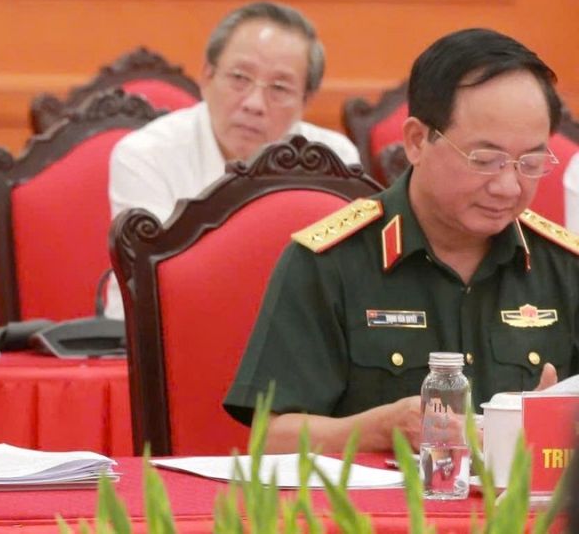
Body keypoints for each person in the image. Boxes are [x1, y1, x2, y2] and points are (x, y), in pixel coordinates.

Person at [225, 28, 577, 452]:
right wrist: (377, 429)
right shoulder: (330, 262)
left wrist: (557, 427)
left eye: (530, 162)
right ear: (416, 141)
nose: (508, 186)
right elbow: (270, 439)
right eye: (485, 160)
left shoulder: (566, 268)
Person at [109, 1, 360, 227]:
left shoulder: (335, 160)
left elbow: (339, 257)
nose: (254, 104)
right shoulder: (147, 155)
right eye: (240, 78)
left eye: (279, 88)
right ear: (207, 77)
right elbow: (157, 262)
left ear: (305, 101)